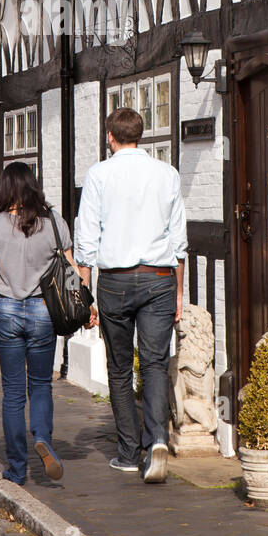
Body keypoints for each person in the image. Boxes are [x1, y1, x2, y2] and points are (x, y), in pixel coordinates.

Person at [75, 107, 187, 484]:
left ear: (110, 136)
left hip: (116, 283)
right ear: (141, 135)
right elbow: (178, 242)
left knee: (120, 369)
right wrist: (179, 292)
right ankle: (156, 438)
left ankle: (127, 452)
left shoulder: (99, 175)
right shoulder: (166, 174)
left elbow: (86, 240)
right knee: (155, 364)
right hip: (159, 279)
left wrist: (83, 295)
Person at [0, 162, 71, 487]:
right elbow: (73, 272)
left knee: (12, 392)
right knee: (40, 384)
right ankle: (42, 437)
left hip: (8, 311)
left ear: (5, 188)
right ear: (33, 186)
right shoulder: (53, 223)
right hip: (43, 311)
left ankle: (17, 468)